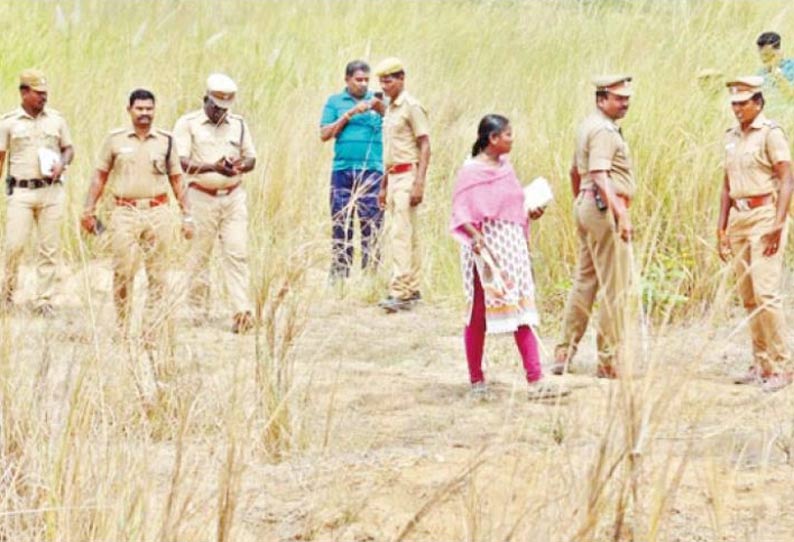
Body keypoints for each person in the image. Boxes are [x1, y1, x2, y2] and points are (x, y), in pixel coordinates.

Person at [450, 114, 567, 399]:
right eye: (508, 135)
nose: (512, 139)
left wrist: (532, 211)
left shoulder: (505, 168)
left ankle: (536, 379)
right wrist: (477, 238)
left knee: (521, 308)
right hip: (485, 250)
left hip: (512, 246)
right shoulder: (470, 172)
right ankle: (476, 380)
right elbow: (461, 212)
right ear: (493, 139)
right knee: (478, 313)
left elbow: (514, 205)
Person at [81, 88, 193, 341]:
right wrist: (88, 209)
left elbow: (177, 179)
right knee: (123, 272)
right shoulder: (115, 140)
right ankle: (122, 326)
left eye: (149, 109)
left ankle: (151, 328)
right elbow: (100, 176)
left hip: (158, 212)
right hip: (124, 213)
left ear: (155, 110)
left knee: (158, 273)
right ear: (129, 110)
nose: (145, 113)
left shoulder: (166, 141)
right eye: (139, 109)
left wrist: (187, 215)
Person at [552, 75, 635, 379]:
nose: (624, 103)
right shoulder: (603, 131)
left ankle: (565, 350)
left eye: (626, 98)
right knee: (616, 286)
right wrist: (621, 214)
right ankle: (609, 360)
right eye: (617, 98)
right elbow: (600, 174)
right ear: (601, 100)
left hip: (588, 205)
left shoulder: (588, 126)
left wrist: (580, 202)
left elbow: (575, 170)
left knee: (585, 281)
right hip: (605, 209)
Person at [717, 76, 794, 393]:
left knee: (766, 294)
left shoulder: (770, 133)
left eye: (743, 103)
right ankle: (761, 361)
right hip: (740, 216)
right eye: (734, 103)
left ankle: (783, 365)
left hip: (765, 215)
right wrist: (721, 226)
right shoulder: (731, 137)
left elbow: (787, 177)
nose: (737, 109)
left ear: (758, 103)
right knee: (748, 295)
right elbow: (726, 184)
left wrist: (778, 221)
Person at [173, 74, 257, 334]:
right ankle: (198, 311)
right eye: (216, 107)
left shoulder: (239, 124)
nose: (220, 113)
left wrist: (240, 166)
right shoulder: (188, 124)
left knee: (237, 253)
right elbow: (181, 162)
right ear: (205, 100)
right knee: (200, 256)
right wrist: (213, 167)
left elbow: (251, 158)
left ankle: (241, 311)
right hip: (201, 197)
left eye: (225, 109)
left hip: (233, 197)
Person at [0, 69, 74, 317]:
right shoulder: (9, 122)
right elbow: (0, 158)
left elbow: (68, 149)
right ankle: (7, 294)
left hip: (50, 192)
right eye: (38, 93)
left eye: (45, 93)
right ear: (24, 92)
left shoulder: (56, 120)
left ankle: (44, 300)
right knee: (14, 246)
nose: (43, 98)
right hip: (20, 192)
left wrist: (62, 164)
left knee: (49, 248)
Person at [320, 60, 385, 282]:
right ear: (347, 80)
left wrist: (381, 109)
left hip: (372, 170)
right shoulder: (335, 102)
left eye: (366, 80)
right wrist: (349, 114)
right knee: (341, 222)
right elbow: (325, 134)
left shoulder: (378, 101)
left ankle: (370, 279)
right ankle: (339, 277)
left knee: (372, 224)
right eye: (358, 80)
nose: (363, 84)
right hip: (343, 170)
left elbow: (396, 125)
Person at [374, 57, 430, 313]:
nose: (385, 86)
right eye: (382, 81)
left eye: (389, 81)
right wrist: (384, 185)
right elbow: (390, 152)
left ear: (401, 79)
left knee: (401, 234)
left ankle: (400, 291)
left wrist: (419, 181)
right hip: (394, 175)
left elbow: (425, 144)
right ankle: (411, 287)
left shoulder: (411, 107)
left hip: (408, 175)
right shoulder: (390, 110)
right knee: (405, 233)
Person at [756, 32, 794, 99]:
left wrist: (775, 70)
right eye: (761, 55)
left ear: (778, 52)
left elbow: (790, 96)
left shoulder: (791, 67)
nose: (763, 59)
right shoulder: (761, 73)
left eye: (766, 54)